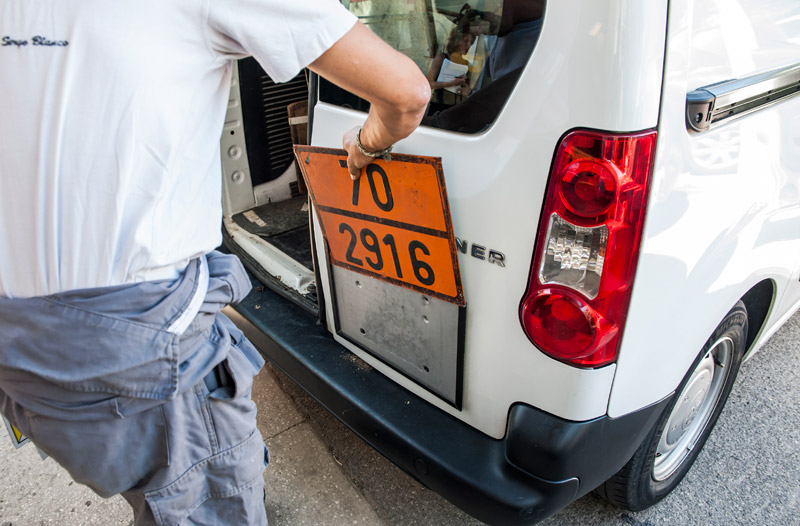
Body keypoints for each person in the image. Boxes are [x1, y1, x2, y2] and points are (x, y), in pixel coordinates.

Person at [0, 1, 430, 525]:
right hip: (134, 340)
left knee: (147, 483)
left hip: (18, 339)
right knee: (198, 496)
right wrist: (364, 146)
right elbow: (406, 95)